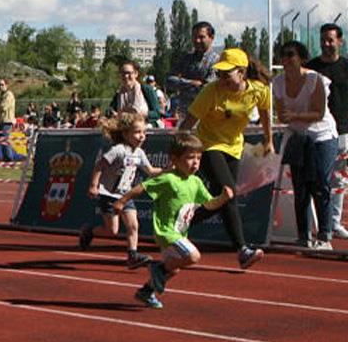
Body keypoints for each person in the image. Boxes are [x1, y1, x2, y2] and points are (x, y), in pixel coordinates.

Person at [178, 47, 272, 269]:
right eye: (219, 74)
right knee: (228, 193)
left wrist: (268, 140)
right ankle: (242, 249)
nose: (222, 79)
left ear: (242, 72)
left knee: (222, 198)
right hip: (208, 145)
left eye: (227, 74)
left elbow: (266, 114)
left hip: (233, 147)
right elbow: (188, 123)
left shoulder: (259, 90)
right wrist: (180, 150)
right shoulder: (211, 91)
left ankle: (183, 220)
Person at [115, 133, 234, 309]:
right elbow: (142, 187)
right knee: (193, 256)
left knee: (174, 268)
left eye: (198, 158)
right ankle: (158, 268)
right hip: (165, 231)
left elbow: (209, 204)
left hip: (179, 232)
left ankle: (146, 291)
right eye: (190, 158)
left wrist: (223, 198)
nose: (195, 163)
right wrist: (121, 201)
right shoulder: (168, 179)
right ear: (175, 159)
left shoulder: (196, 182)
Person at [272, 40, 338, 250]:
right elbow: (282, 114)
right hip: (298, 137)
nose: (286, 59)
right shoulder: (279, 83)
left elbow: (318, 113)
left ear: (301, 57)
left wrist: (296, 115)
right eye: (283, 55)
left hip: (322, 136)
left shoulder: (315, 79)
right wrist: (291, 118)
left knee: (320, 183)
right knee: (300, 186)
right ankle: (303, 235)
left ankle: (325, 235)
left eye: (291, 54)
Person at [79, 112, 160, 268]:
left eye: (144, 132)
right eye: (137, 132)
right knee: (112, 231)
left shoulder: (139, 153)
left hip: (125, 195)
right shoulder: (118, 150)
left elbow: (150, 171)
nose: (142, 136)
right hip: (109, 194)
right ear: (125, 134)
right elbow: (99, 166)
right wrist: (94, 185)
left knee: (133, 225)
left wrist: (169, 170)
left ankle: (132, 255)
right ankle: (89, 231)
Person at [307, 23, 348, 240]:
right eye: (323, 40)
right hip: (315, 130)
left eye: (330, 40)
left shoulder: (345, 67)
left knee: (338, 179)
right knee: (316, 178)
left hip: (342, 130)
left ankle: (334, 223)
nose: (326, 44)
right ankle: (314, 226)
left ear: (340, 41)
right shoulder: (311, 67)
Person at [167, 21, 219, 119]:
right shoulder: (185, 58)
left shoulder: (217, 61)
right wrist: (191, 83)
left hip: (207, 114)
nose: (197, 40)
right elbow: (169, 81)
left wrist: (181, 85)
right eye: (194, 37)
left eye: (201, 37)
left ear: (211, 38)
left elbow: (207, 88)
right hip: (184, 113)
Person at [109, 60, 162, 125]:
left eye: (128, 73)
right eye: (123, 73)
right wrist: (114, 114)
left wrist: (139, 115)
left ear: (136, 73)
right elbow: (110, 111)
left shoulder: (147, 90)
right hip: (124, 128)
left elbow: (157, 113)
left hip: (145, 127)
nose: (126, 76)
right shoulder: (118, 94)